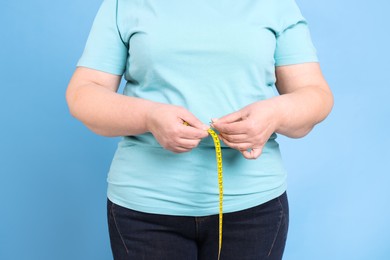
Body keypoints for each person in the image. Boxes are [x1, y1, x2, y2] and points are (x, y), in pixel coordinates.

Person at [66, 0, 333, 259]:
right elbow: (83, 93)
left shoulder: (274, 4)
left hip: (253, 209)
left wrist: (274, 114)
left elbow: (315, 95)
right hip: (144, 210)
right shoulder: (124, 4)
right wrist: (149, 116)